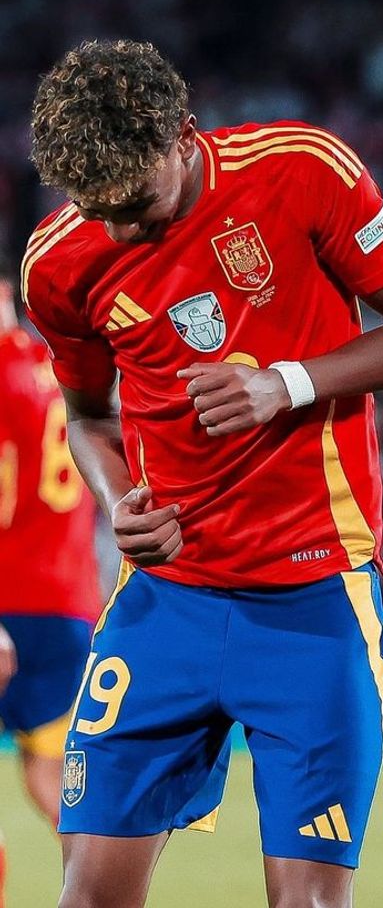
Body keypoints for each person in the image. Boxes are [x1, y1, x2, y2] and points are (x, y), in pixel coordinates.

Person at [21, 39, 383, 908]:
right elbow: (87, 417)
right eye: (98, 209)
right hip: (166, 600)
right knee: (87, 898)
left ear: (185, 137)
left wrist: (284, 385)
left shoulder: (301, 170)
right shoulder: (59, 263)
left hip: (312, 601)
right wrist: (120, 501)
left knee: (304, 903)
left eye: (138, 206)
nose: (121, 232)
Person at [0, 259, 99, 908]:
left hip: (8, 598)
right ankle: (102, 889)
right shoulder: (56, 364)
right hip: (68, 601)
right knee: (47, 773)